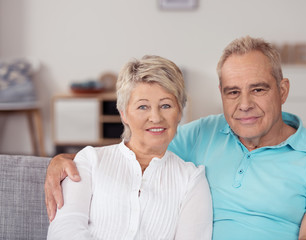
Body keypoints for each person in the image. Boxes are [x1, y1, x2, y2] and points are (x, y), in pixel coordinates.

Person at [45, 36, 306, 240]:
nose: (244, 104)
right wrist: (66, 161)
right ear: (222, 95)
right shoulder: (201, 134)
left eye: (258, 89)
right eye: (233, 92)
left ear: (282, 90)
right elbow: (139, 151)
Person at [46, 55, 213, 239]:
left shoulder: (192, 180)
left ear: (179, 112)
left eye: (166, 105)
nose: (156, 117)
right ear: (124, 113)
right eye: (143, 107)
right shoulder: (89, 161)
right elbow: (64, 231)